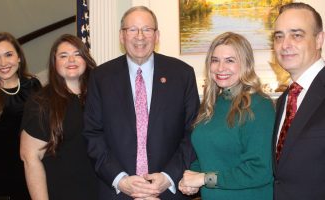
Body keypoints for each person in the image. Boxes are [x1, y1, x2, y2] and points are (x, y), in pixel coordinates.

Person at [83, 5, 200, 200]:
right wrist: (120, 179)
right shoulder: (101, 77)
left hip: (168, 191)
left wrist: (167, 177)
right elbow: (93, 133)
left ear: (157, 36)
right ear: (122, 36)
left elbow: (193, 132)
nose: (140, 36)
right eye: (132, 29)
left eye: (147, 29)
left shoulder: (182, 74)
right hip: (117, 192)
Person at [178, 32, 275, 200]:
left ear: (245, 64)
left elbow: (260, 170)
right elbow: (206, 155)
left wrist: (203, 179)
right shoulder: (212, 104)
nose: (220, 67)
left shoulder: (260, 106)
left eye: (230, 60)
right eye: (215, 60)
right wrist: (191, 177)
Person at [20, 34, 98, 200]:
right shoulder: (41, 102)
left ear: (86, 59)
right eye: (63, 56)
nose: (71, 60)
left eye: (77, 54)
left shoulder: (100, 97)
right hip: (61, 193)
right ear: (54, 63)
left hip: (102, 192)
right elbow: (30, 158)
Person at [0, 32, 41, 199]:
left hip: (30, 183)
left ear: (19, 57)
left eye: (8, 55)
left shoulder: (33, 86)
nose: (3, 63)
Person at [272, 3, 325, 200]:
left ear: (319, 39)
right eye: (279, 36)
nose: (285, 45)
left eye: (296, 35)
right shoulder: (285, 100)